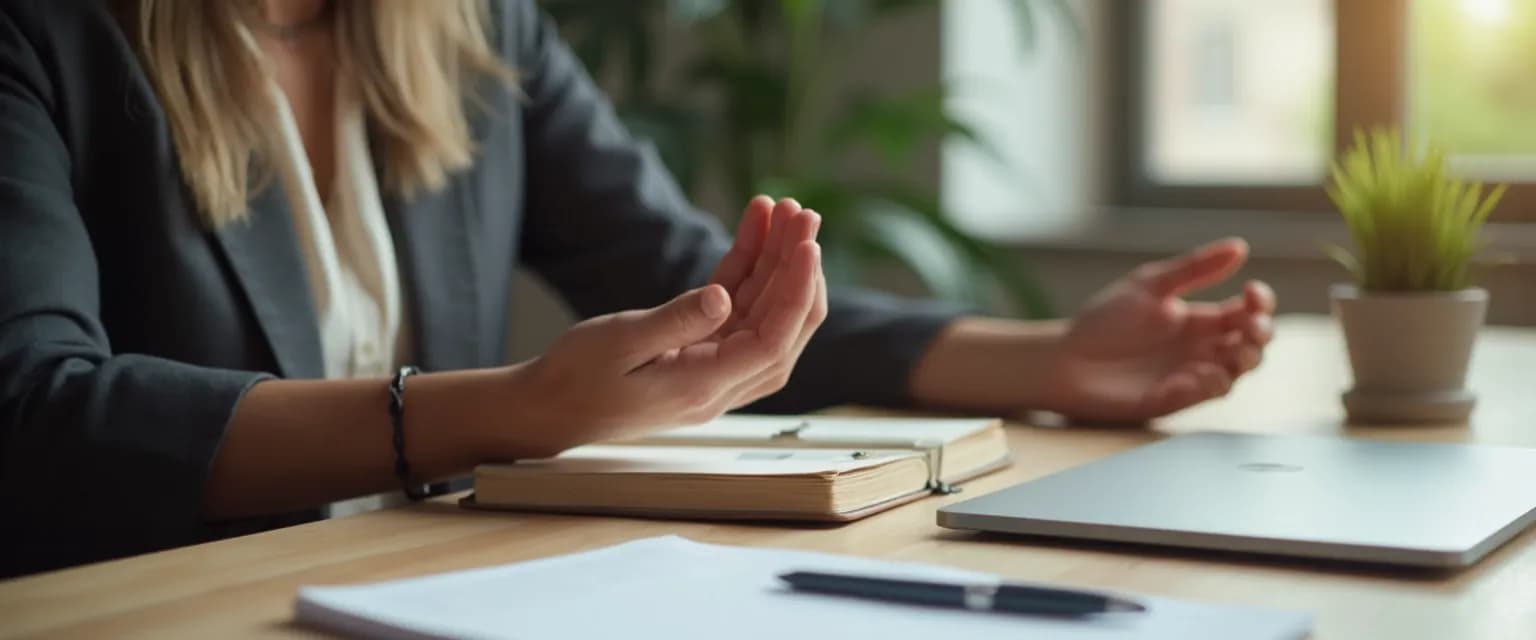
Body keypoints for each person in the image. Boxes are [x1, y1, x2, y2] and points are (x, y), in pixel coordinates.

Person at [0, 0, 1275, 577]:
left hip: (428, 590)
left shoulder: (475, 28)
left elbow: (693, 295)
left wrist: (1046, 361)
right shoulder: (42, 35)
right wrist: (509, 409)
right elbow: (36, 417)